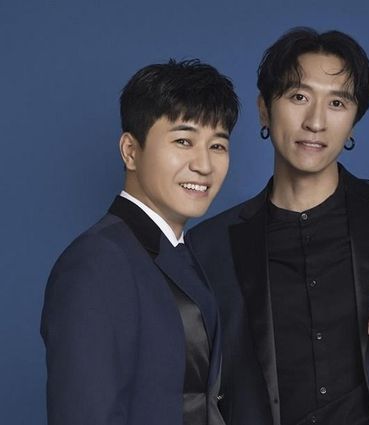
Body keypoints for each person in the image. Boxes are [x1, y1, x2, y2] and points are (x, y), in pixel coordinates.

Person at [187, 28, 369, 425]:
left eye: (337, 102)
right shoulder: (207, 247)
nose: (316, 121)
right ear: (264, 109)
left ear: (353, 122)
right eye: (298, 97)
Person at [40, 59, 239, 425]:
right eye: (183, 141)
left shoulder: (184, 253)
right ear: (130, 151)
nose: (204, 165)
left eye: (218, 145)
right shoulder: (95, 263)